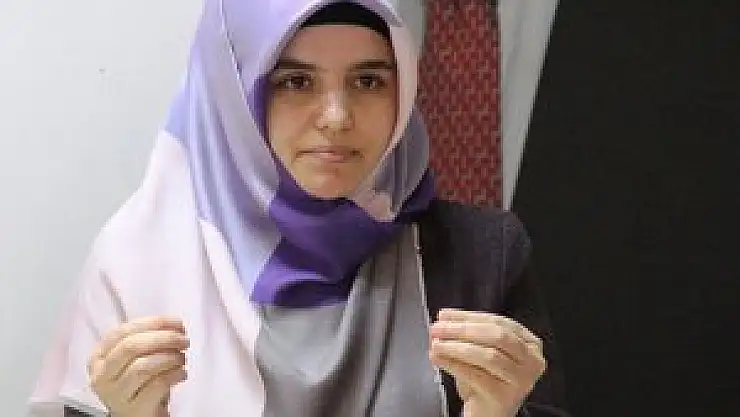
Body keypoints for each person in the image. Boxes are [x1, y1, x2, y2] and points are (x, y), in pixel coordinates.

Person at [27, 1, 569, 416]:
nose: (336, 117)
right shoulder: (136, 264)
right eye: (296, 82)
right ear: (233, 93)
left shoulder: (481, 256)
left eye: (368, 81)